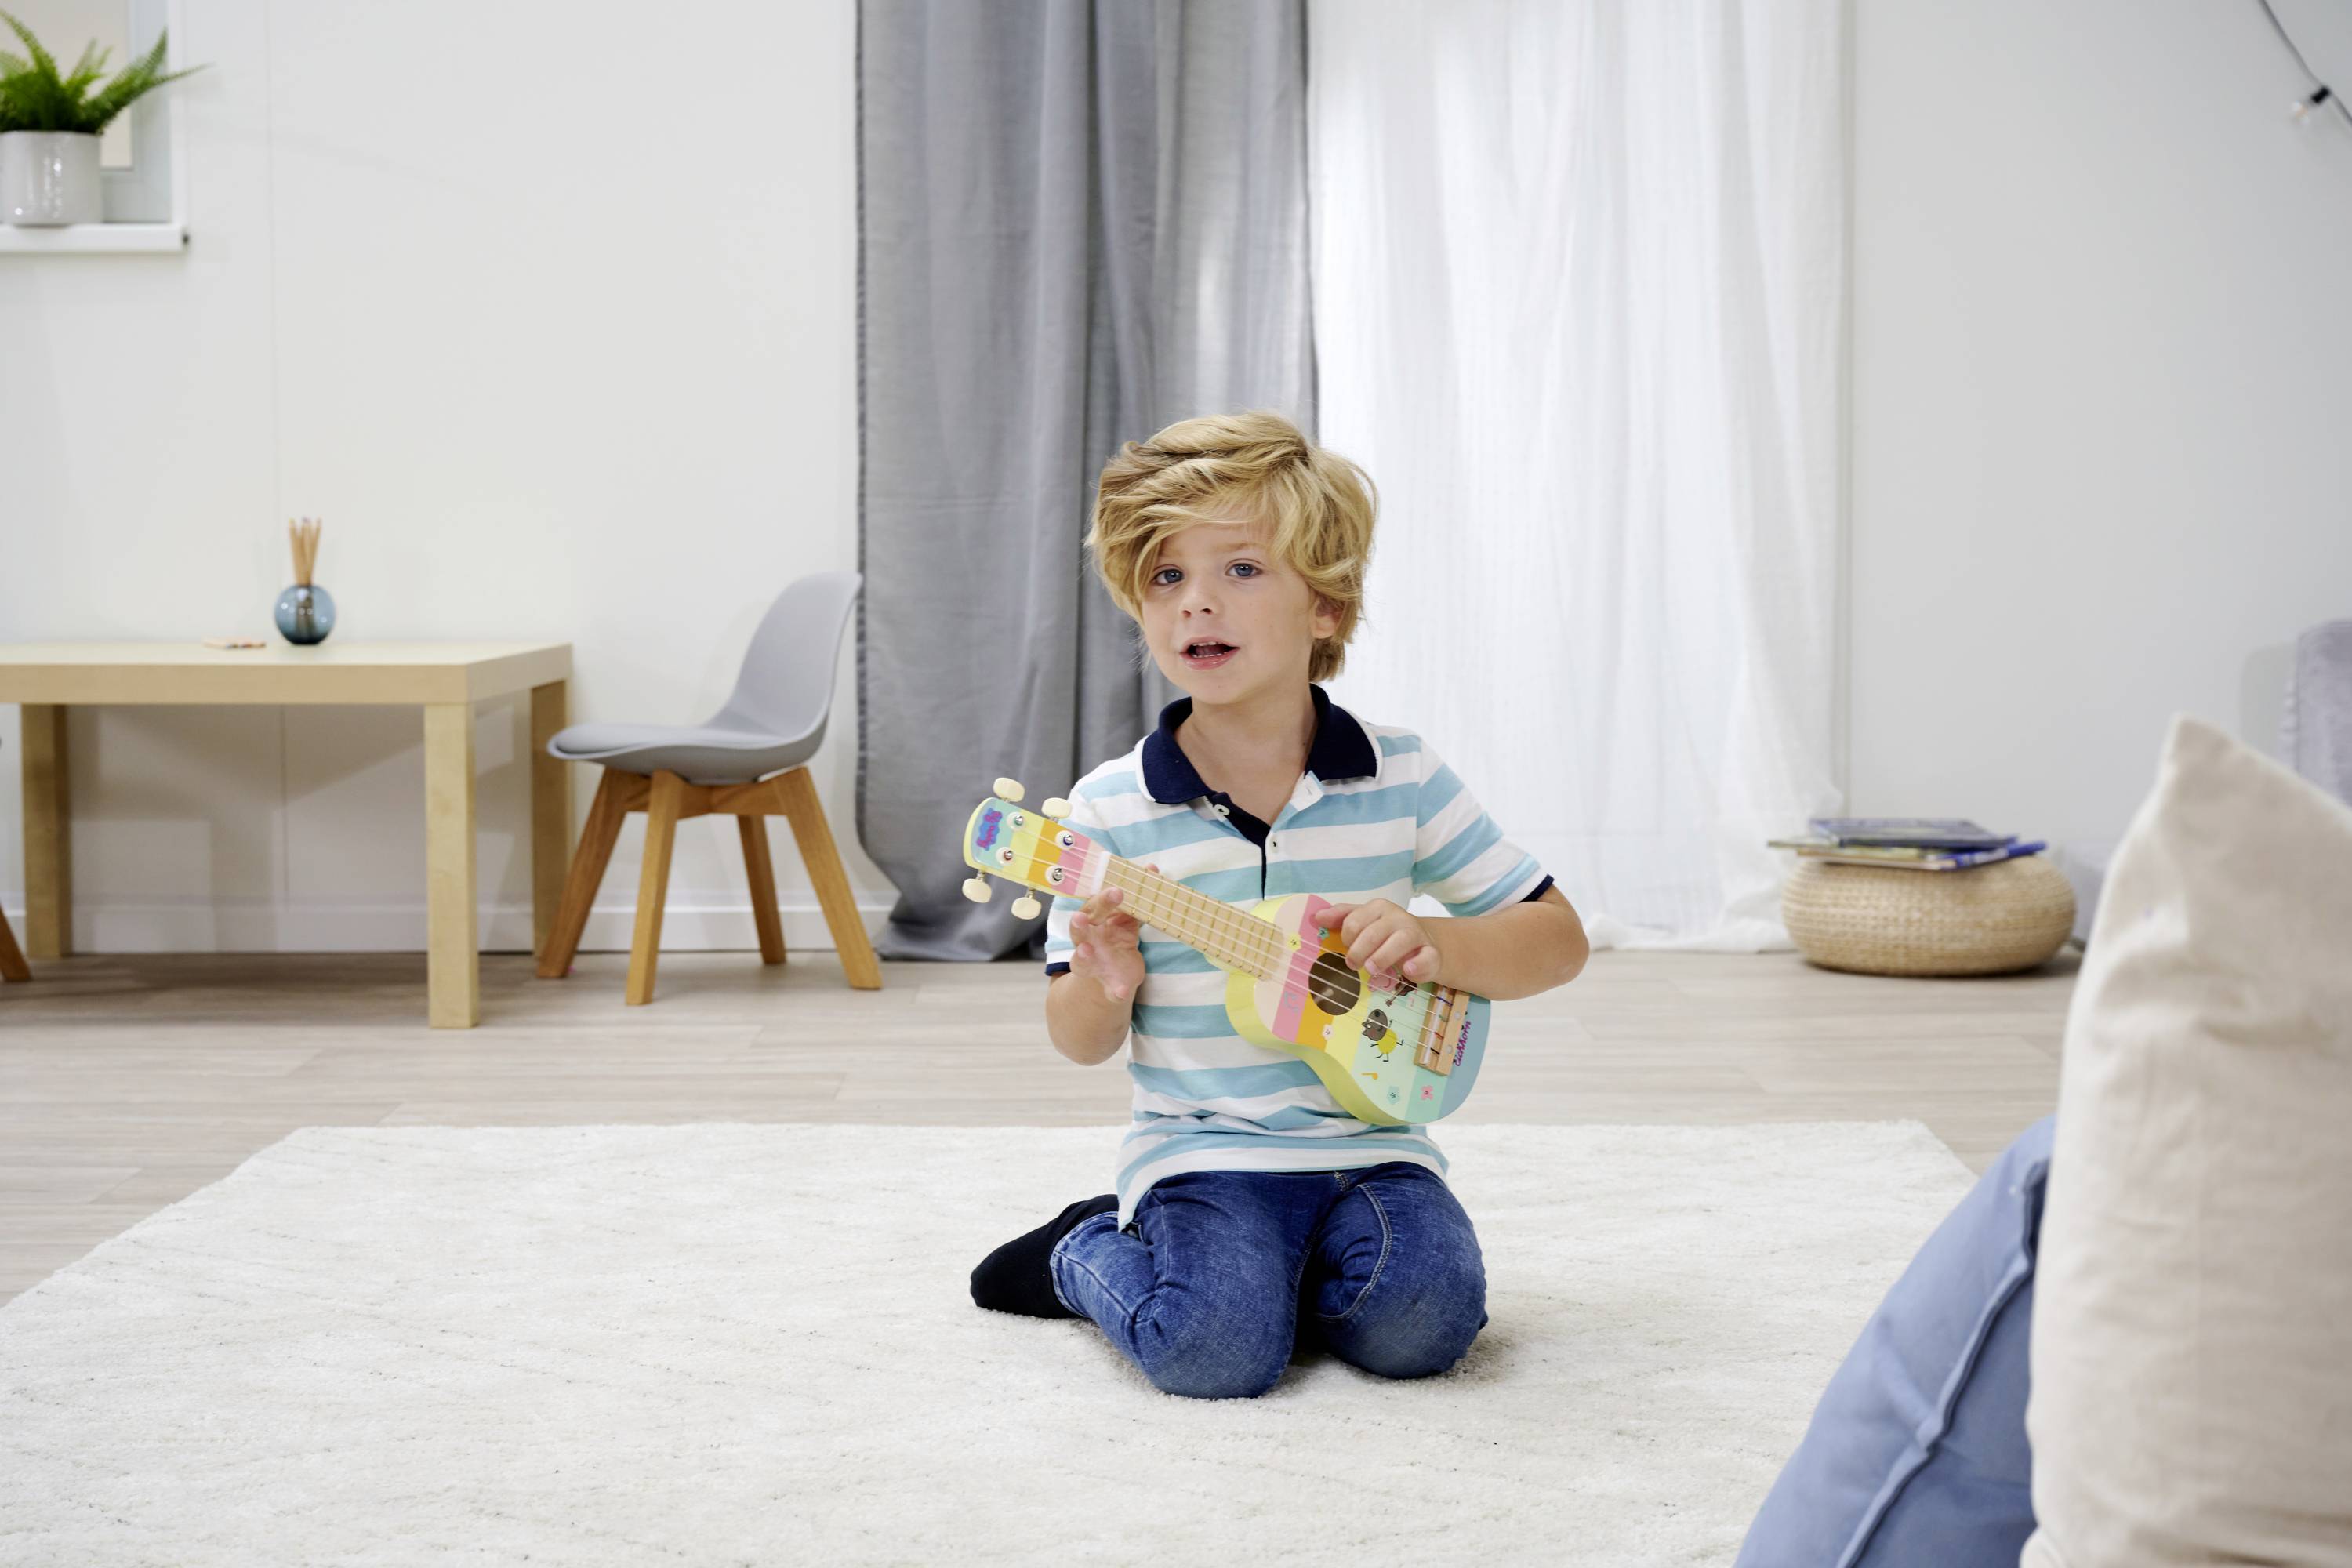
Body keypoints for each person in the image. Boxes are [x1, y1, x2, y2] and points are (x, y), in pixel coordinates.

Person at [967, 410, 1591, 1399]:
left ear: (1327, 608)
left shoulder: (1402, 774)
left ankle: (1275, 1278)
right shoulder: (1107, 812)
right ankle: (1083, 1248)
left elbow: (1557, 940)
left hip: (1376, 1143)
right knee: (1215, 1353)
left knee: (1425, 1327)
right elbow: (1079, 1039)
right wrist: (1105, 982)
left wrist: (1436, 941)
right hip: (1202, 1148)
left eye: (1241, 570)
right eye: (1166, 577)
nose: (1196, 604)